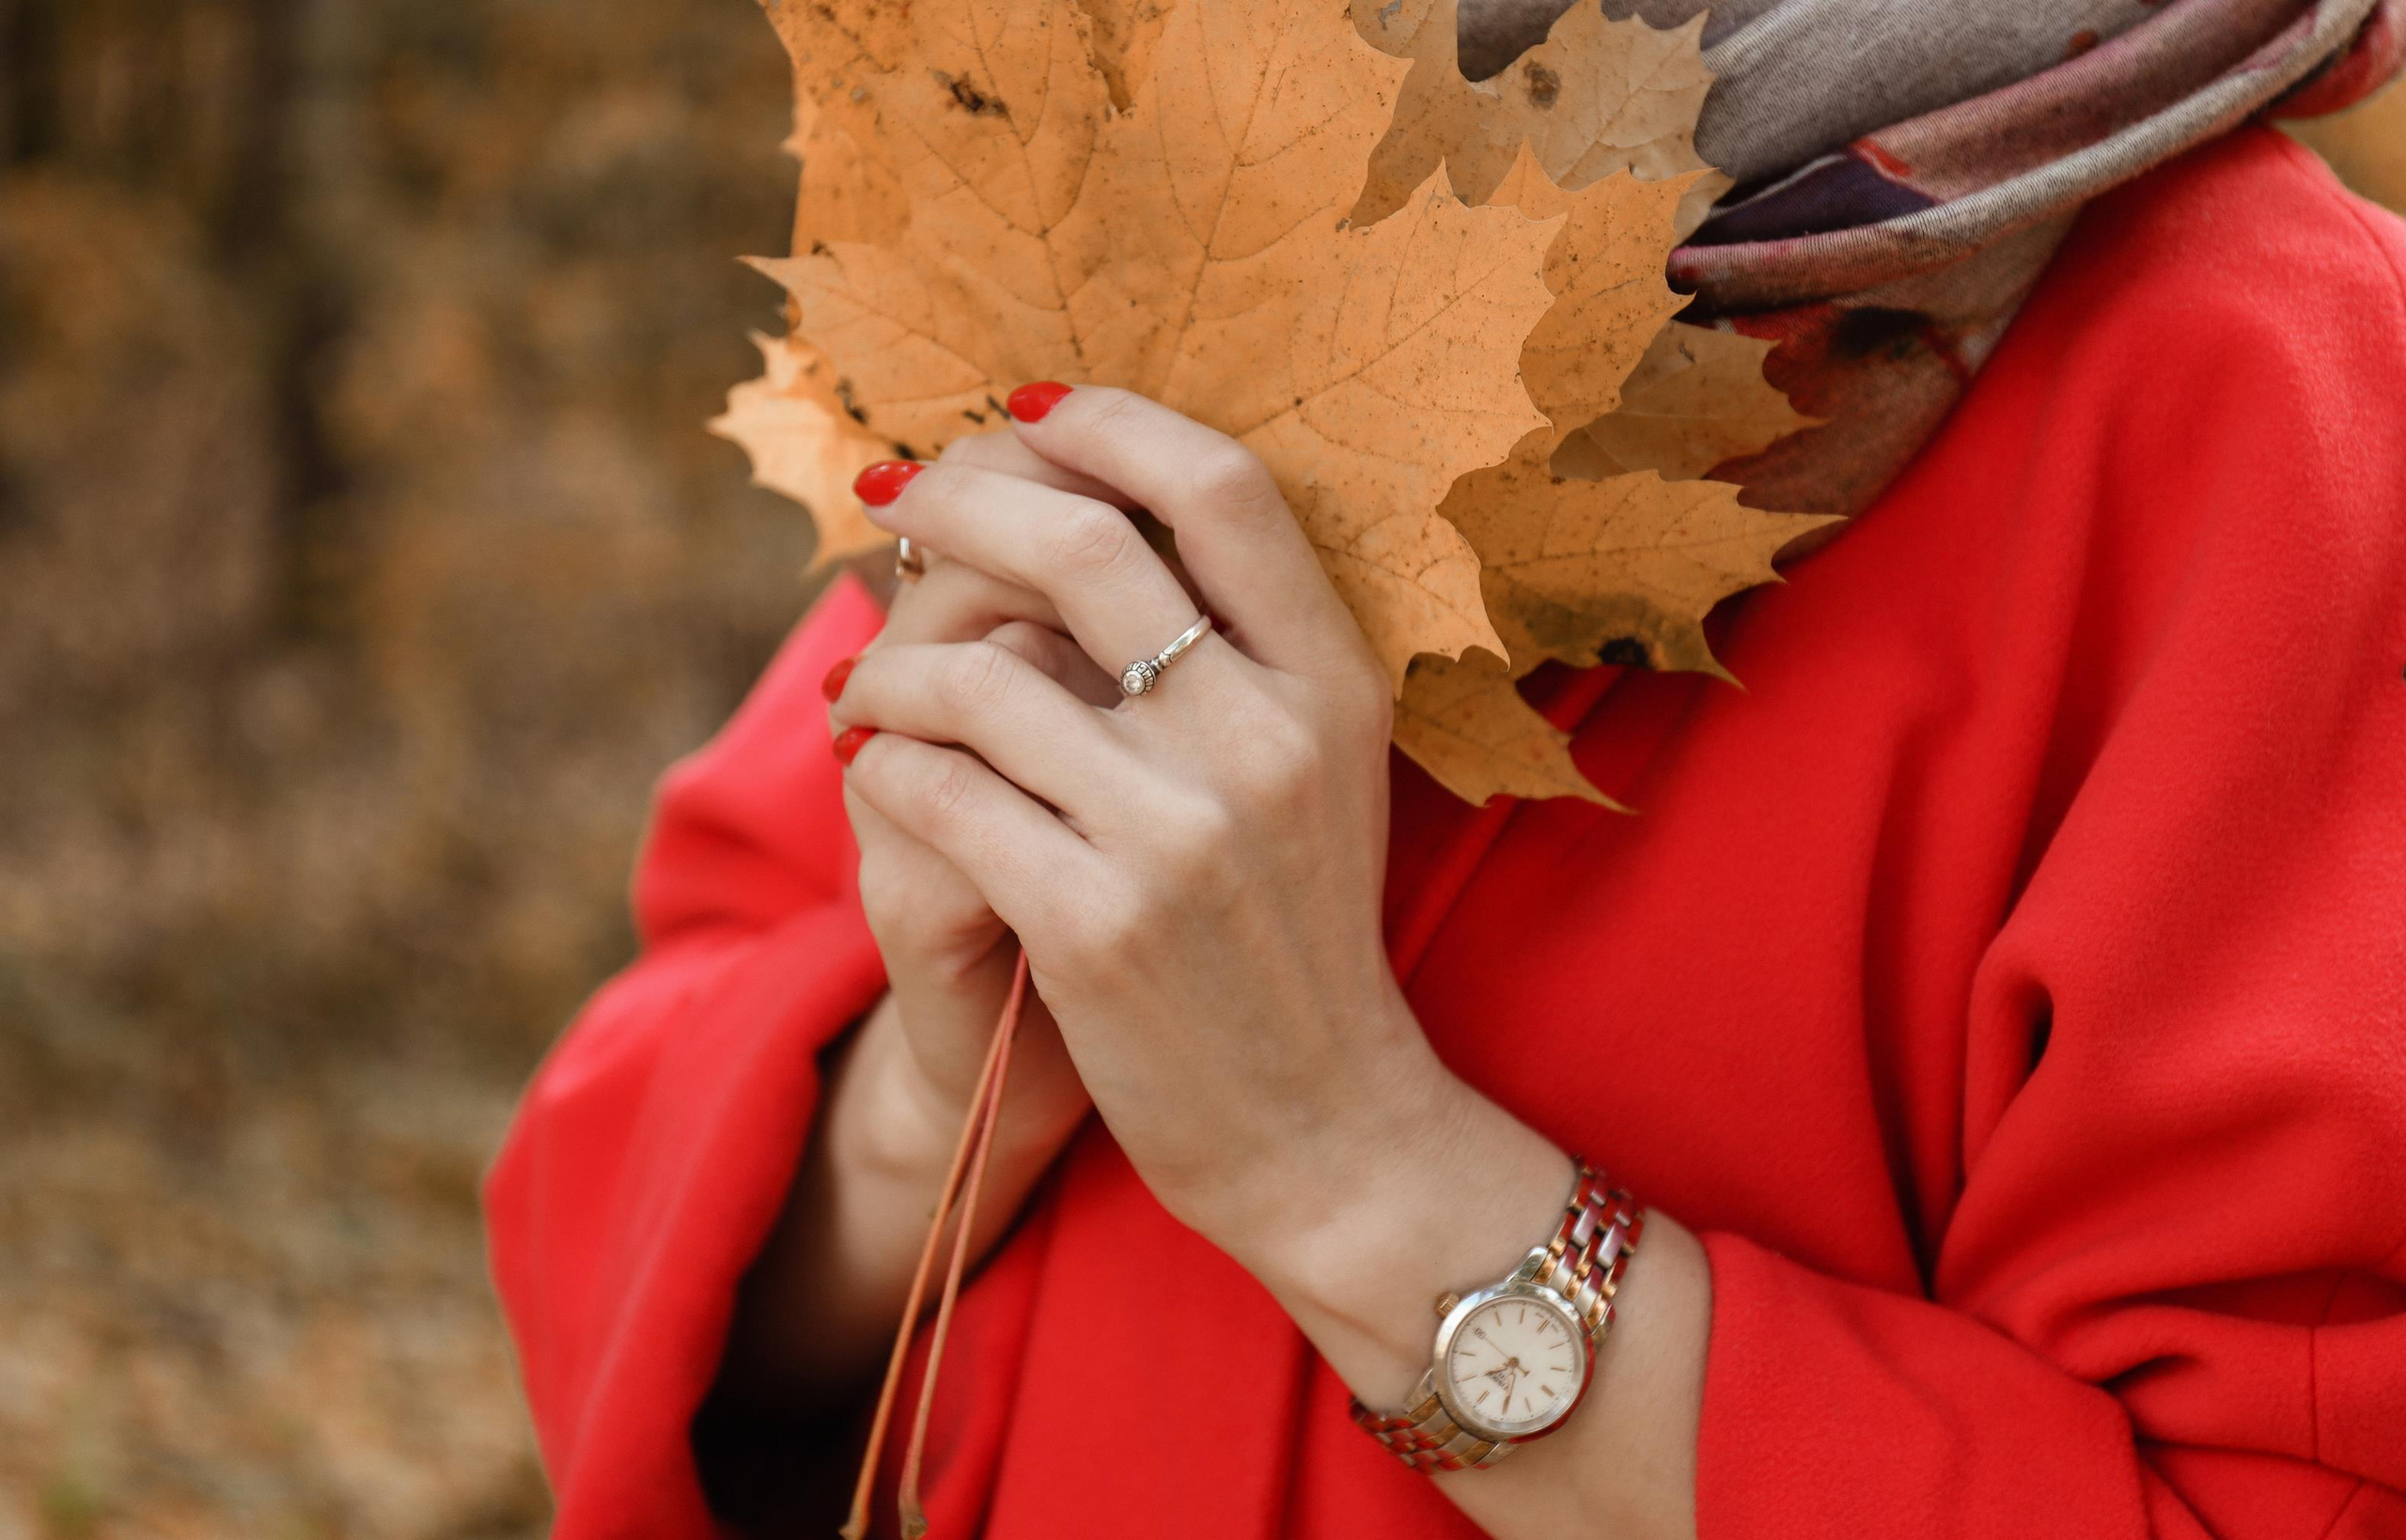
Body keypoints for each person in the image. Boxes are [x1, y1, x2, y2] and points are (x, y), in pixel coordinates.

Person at [482, 2, 2406, 1536]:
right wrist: (933, 1100)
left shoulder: (2294, 418)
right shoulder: (1175, 192)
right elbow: (627, 1212)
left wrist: (1350, 1177)